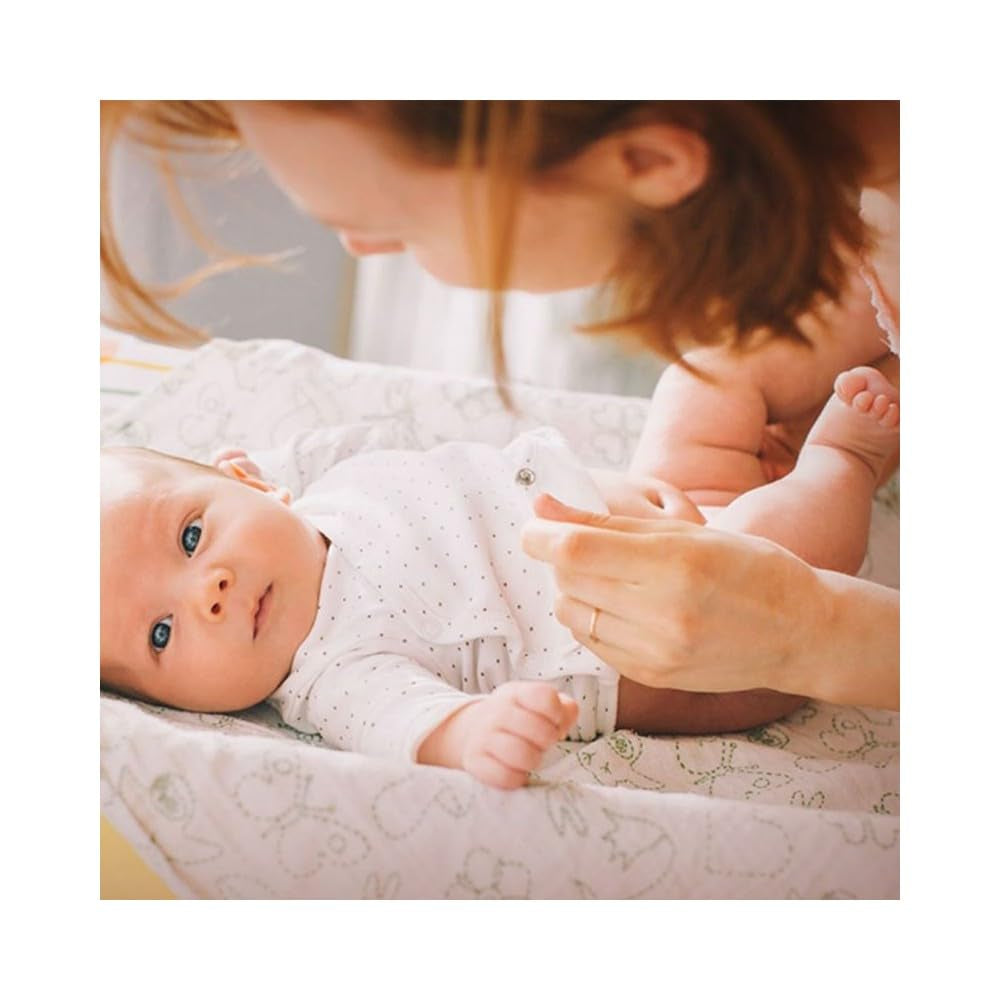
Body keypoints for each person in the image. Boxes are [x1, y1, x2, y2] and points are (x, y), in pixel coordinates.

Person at [100, 100, 900, 712]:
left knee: (761, 511)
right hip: (662, 551)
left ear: (650, 161)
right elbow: (420, 722)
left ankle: (843, 459)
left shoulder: (302, 500)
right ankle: (834, 464)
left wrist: (814, 633)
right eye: (161, 633)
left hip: (707, 580)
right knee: (705, 376)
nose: (362, 252)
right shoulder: (336, 673)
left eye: (394, 226)